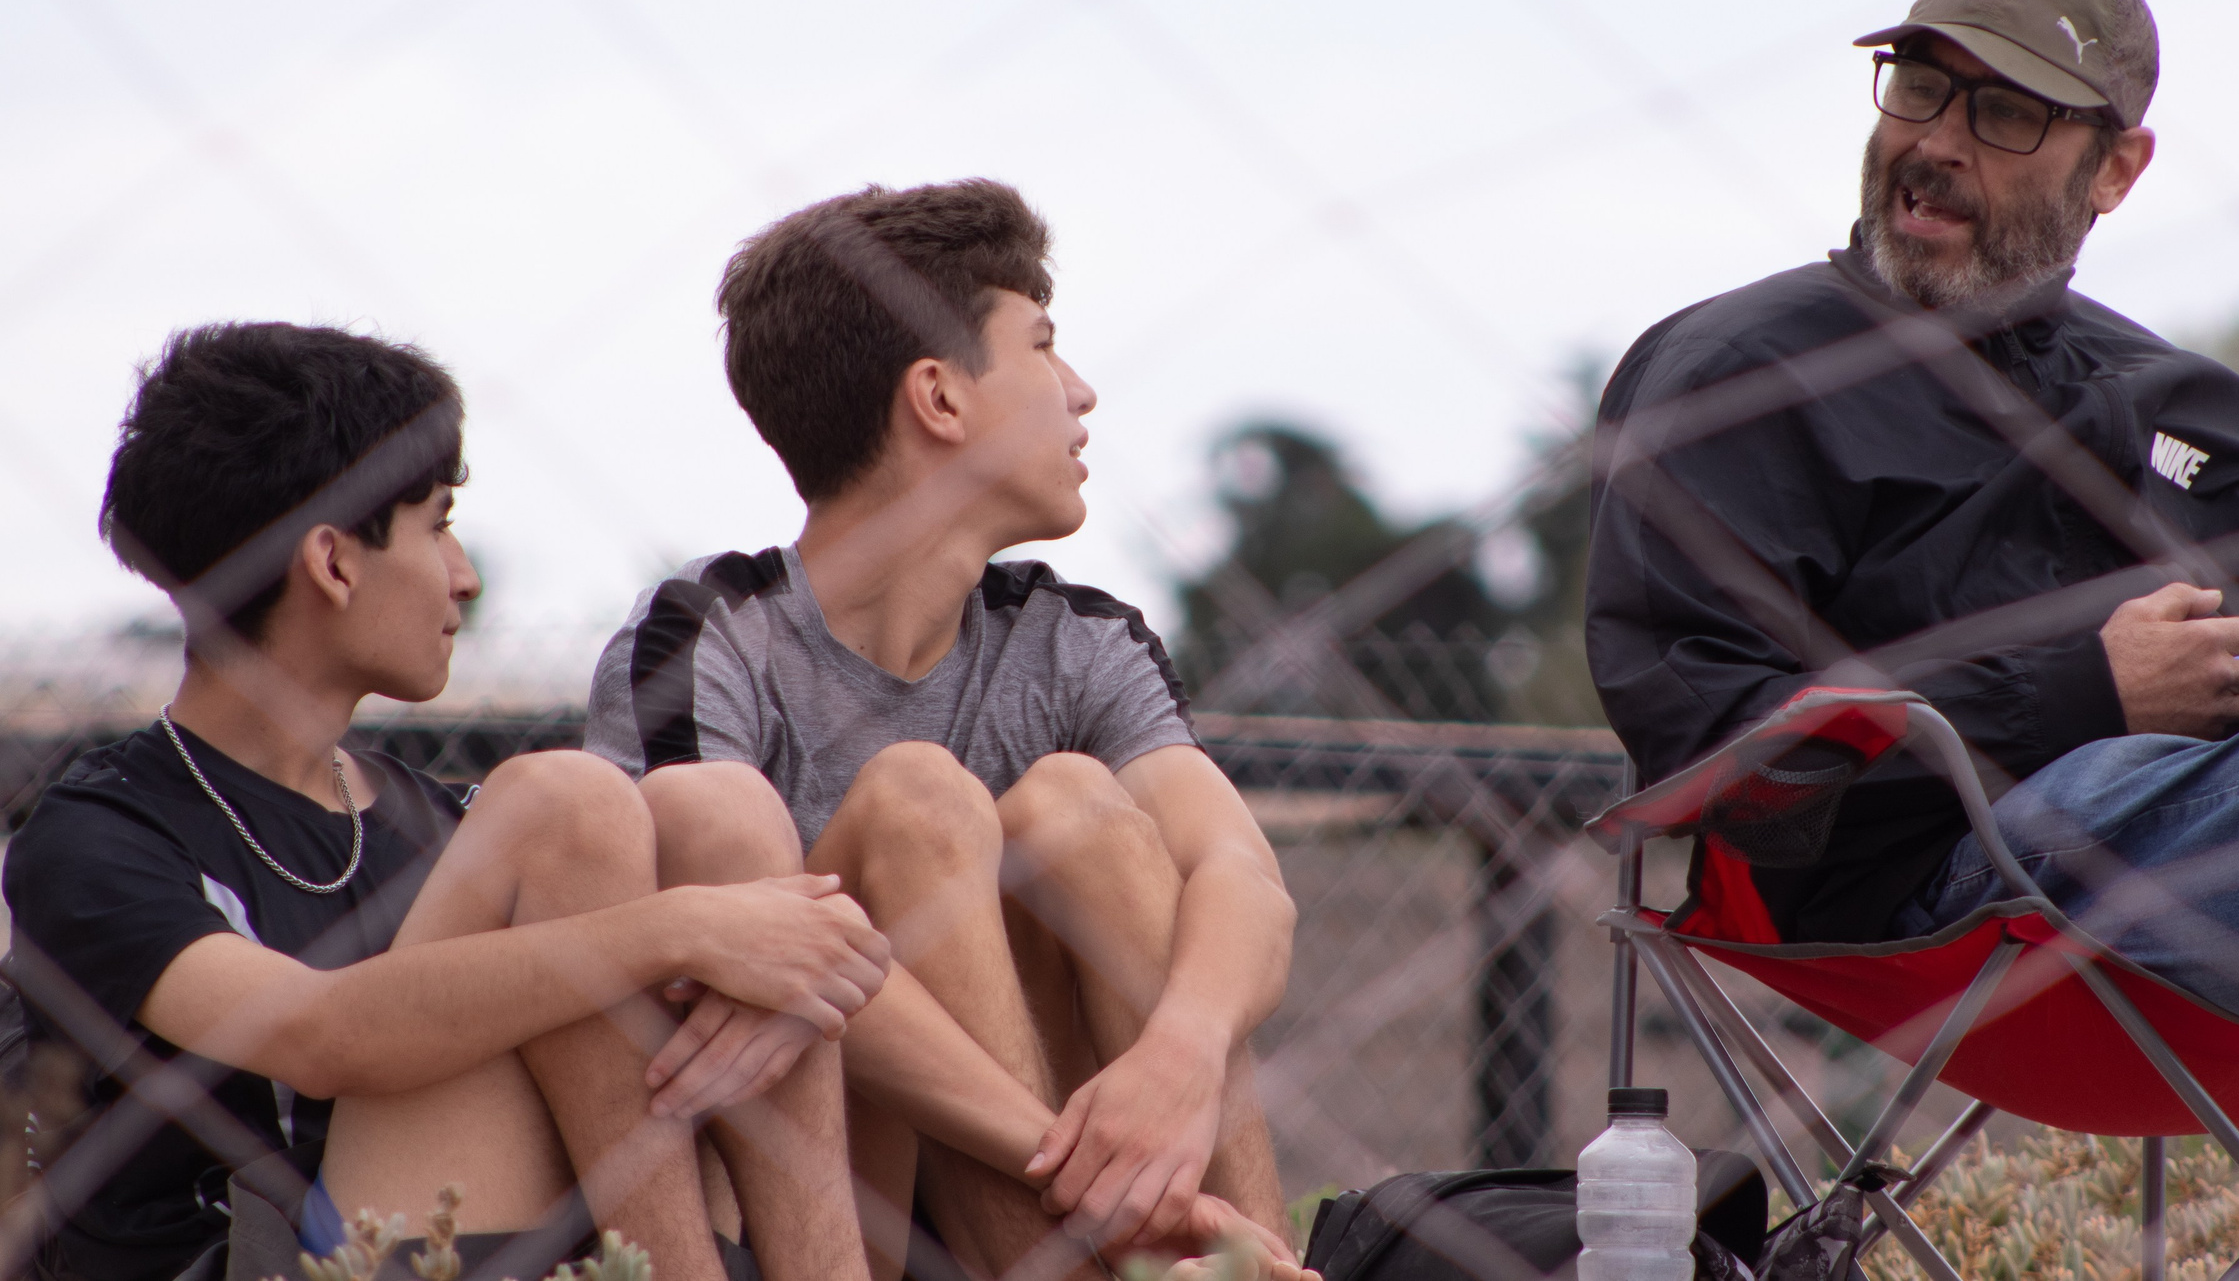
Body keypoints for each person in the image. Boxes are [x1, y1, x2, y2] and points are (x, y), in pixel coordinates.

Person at [1584, 0, 2239, 1278]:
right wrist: (2076, 689)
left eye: (2004, 112)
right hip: (1980, 906)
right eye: (1917, 86)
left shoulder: (2191, 410)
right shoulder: (1741, 372)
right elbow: (1699, 733)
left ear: (2117, 164)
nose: (1936, 142)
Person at [3, 323, 886, 1281]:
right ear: (334, 563)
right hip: (272, 1259)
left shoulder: (440, 818)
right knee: (569, 802)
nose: (463, 575)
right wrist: (682, 929)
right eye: (437, 523)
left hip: (503, 1229)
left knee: (725, 811)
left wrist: (787, 957)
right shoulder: (102, 831)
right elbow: (314, 1036)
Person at [582, 181, 1309, 1281]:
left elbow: (1244, 879)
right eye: (1044, 347)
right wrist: (1078, 1154)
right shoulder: (707, 637)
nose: (1083, 392)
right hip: (821, 1184)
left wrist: (1179, 1058)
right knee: (917, 798)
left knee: (1076, 807)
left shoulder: (1075, 638)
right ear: (939, 398)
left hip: (1096, 1151)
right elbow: (723, 964)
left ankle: (1267, 1271)